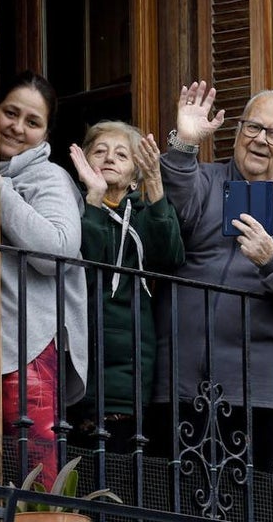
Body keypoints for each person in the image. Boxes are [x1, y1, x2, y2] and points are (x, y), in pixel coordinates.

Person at [152, 81, 273, 474]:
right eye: (252, 127)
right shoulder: (203, 179)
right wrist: (185, 144)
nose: (260, 140)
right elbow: (168, 216)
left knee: (256, 513)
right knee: (171, 506)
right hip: (180, 378)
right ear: (237, 132)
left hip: (261, 389)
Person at [67, 121, 185, 453]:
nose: (109, 158)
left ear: (135, 173)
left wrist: (156, 184)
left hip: (132, 370)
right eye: (99, 151)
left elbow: (171, 255)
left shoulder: (146, 214)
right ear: (83, 164)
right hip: (81, 366)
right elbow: (84, 269)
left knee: (121, 470)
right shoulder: (72, 210)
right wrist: (94, 197)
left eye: (122, 154)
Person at [0, 71, 88, 488]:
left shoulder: (48, 178)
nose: (17, 127)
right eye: (10, 113)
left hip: (30, 344)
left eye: (31, 122)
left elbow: (56, 252)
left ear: (46, 133)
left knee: (34, 465)